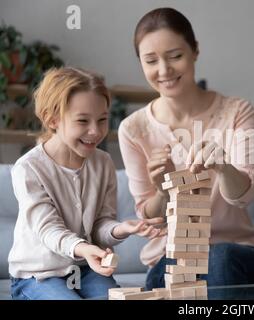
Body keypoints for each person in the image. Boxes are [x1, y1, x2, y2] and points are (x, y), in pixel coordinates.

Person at [118, 7, 254, 291]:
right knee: (187, 270)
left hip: (239, 251)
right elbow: (149, 218)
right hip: (170, 257)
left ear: (195, 51)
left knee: (218, 260)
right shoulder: (133, 129)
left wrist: (223, 166)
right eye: (151, 61)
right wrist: (162, 188)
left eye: (175, 56)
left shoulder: (237, 111)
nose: (164, 71)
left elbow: (245, 196)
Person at [8, 67, 166, 300]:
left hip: (86, 270)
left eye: (102, 120)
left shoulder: (103, 163)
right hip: (38, 275)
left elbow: (100, 225)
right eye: (83, 120)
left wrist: (121, 229)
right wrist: (83, 249)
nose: (95, 131)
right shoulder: (28, 168)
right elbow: (48, 230)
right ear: (52, 119)